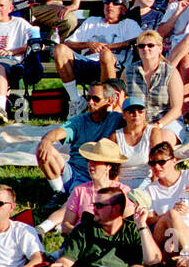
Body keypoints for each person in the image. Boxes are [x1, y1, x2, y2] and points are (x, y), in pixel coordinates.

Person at [35, 80, 124, 215]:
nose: (90, 102)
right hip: (73, 171)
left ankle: (62, 210)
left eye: (96, 99)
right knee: (44, 148)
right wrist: (46, 140)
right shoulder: (80, 120)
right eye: (88, 98)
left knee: (76, 206)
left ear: (109, 101)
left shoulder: (117, 119)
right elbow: (59, 132)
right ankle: (59, 192)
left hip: (96, 174)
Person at [53, 0, 141, 105]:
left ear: (123, 8)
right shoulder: (92, 21)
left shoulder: (128, 24)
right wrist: (89, 44)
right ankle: (76, 101)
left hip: (114, 66)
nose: (109, 5)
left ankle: (107, 104)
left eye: (115, 2)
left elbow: (138, 40)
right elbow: (68, 43)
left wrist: (107, 47)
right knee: (59, 50)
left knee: (105, 54)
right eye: (107, 1)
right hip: (87, 62)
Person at [125, 29, 185, 147]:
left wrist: (158, 125)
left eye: (150, 45)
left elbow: (177, 109)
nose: (146, 49)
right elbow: (121, 101)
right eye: (141, 46)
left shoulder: (171, 73)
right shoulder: (128, 71)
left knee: (160, 145)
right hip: (136, 121)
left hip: (166, 122)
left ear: (160, 48)